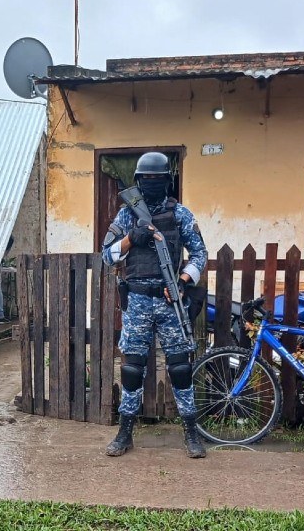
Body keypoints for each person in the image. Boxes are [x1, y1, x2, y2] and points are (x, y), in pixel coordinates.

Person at [101, 152, 208, 458]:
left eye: (157, 179)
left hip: (169, 300)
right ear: (138, 182)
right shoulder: (126, 215)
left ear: (168, 180)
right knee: (133, 369)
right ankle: (125, 434)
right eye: (146, 179)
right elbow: (107, 257)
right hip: (136, 302)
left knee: (180, 367)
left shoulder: (181, 215)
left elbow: (199, 253)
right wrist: (131, 239)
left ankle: (191, 432)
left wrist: (184, 281)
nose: (152, 183)